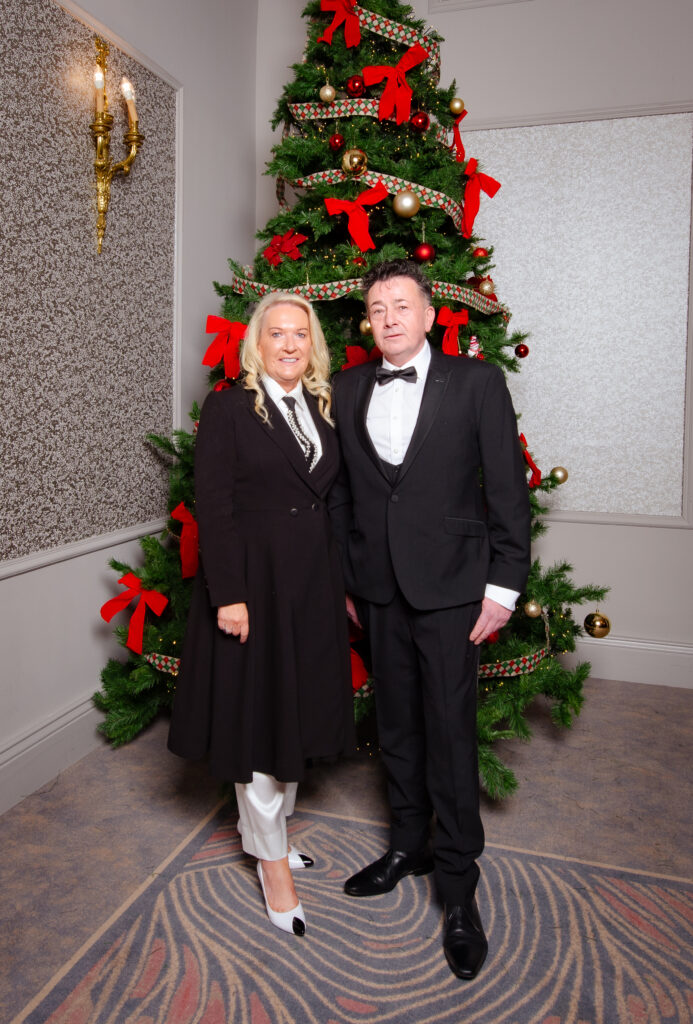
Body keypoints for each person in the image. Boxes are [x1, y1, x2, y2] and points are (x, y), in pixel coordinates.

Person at [328, 260, 531, 979]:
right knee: (396, 730)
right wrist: (348, 578)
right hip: (379, 589)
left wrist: (502, 588)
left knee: (448, 735)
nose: (388, 317)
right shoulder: (347, 387)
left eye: (401, 305)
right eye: (377, 307)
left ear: (429, 315)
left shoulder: (476, 383)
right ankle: (407, 845)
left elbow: (506, 488)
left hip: (452, 590)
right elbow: (343, 495)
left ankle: (458, 888)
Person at [168, 292, 355, 937]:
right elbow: (213, 506)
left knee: (291, 717)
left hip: (312, 589)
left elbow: (331, 504)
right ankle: (274, 866)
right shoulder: (229, 408)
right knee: (258, 727)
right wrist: (229, 594)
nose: (289, 344)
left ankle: (267, 836)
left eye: (300, 334)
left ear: (313, 345)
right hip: (254, 589)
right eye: (277, 333)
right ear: (257, 343)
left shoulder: (322, 408)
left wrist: (343, 585)